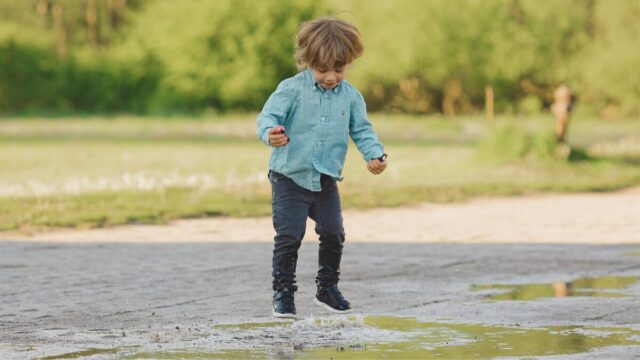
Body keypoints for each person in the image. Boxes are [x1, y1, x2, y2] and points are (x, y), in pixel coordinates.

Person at [256, 17, 387, 318]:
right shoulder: (291, 89)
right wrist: (271, 134)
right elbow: (267, 118)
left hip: (326, 177)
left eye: (338, 69)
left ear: (348, 63)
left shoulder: (351, 97)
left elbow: (363, 131)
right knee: (290, 234)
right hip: (289, 175)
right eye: (323, 69)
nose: (330, 77)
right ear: (308, 61)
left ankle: (326, 289)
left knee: (333, 232)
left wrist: (376, 155)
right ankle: (283, 293)